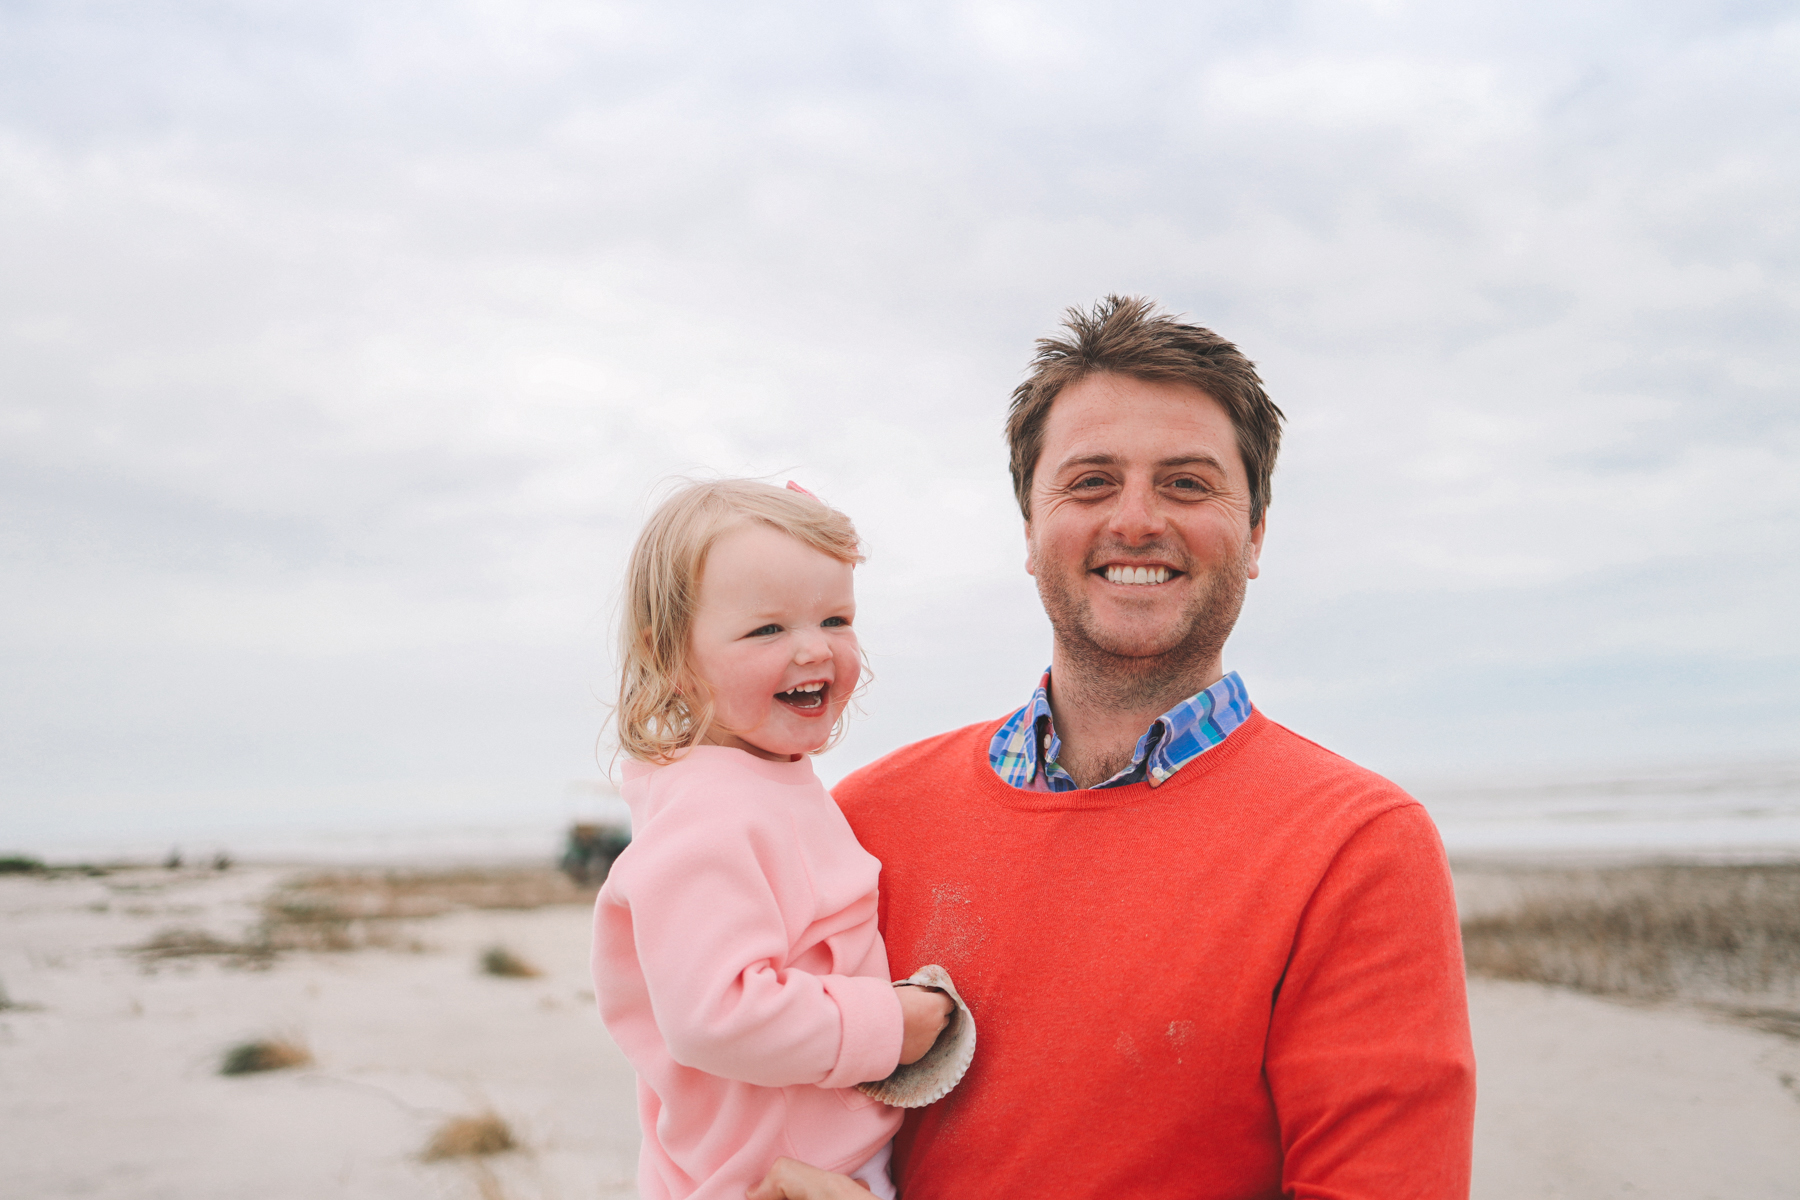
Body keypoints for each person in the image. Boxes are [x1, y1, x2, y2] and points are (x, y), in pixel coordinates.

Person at [759, 296, 1476, 1199]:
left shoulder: (1359, 846)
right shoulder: (860, 819)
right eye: (1091, 481)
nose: (1136, 520)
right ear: (1029, 529)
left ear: (1254, 535)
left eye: (1187, 482)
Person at [590, 480, 955, 1200]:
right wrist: (893, 1024)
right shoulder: (711, 810)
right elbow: (715, 1014)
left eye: (836, 618)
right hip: (788, 1178)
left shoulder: (763, 782)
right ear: (671, 655)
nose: (814, 648)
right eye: (767, 630)